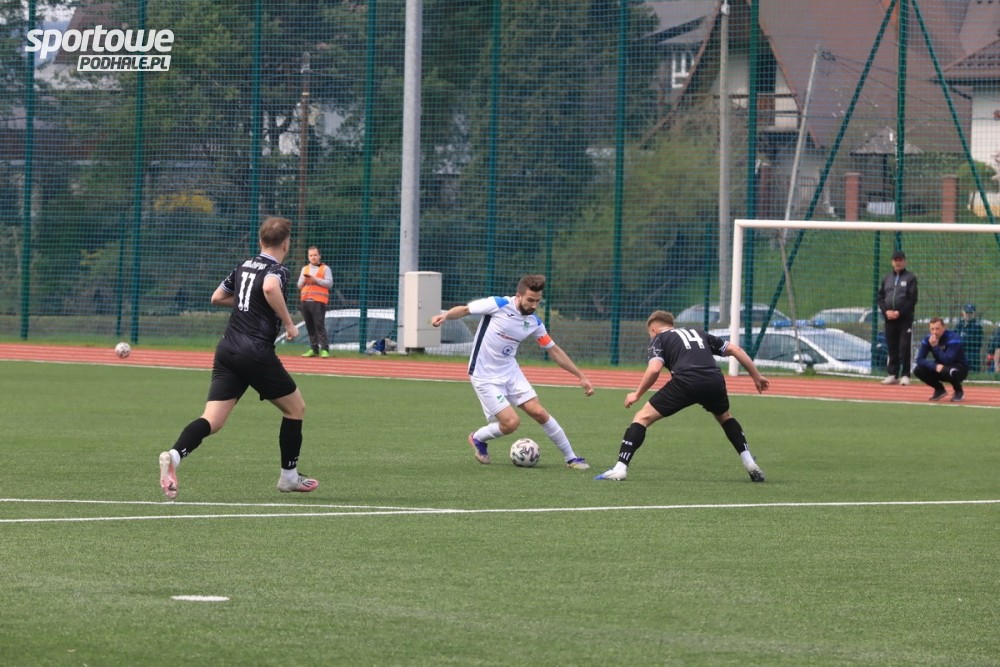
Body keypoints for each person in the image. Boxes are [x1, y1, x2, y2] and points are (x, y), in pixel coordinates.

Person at [158, 216, 319, 499]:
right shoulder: (278, 270)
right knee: (296, 409)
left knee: (212, 420)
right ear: (286, 243)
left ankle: (174, 456)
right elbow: (269, 287)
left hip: (227, 350)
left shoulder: (243, 265)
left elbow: (217, 297)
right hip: (254, 352)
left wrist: (250, 300)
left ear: (260, 240)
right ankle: (289, 478)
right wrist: (289, 323)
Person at [430, 274, 594, 468]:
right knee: (511, 423)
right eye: (530, 300)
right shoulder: (498, 304)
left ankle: (571, 458)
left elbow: (554, 350)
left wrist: (580, 376)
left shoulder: (534, 323)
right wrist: (445, 316)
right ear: (518, 296)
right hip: (484, 375)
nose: (533, 305)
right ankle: (478, 437)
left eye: (537, 301)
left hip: (510, 372)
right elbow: (466, 310)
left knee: (539, 412)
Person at [595, 310, 769, 482]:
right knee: (725, 417)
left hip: (686, 381)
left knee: (642, 418)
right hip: (714, 380)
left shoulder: (659, 338)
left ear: (654, 330)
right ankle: (750, 463)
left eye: (650, 334)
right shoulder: (699, 333)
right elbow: (735, 349)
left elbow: (654, 369)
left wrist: (637, 394)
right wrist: (756, 376)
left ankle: (620, 468)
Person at [877, 250, 918, 385]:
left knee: (905, 346)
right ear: (892, 262)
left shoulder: (910, 278)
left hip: (904, 319)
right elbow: (880, 297)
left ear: (904, 261)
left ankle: (906, 374)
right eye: (896, 260)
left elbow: (912, 299)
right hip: (889, 319)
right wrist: (886, 312)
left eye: (900, 260)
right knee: (891, 346)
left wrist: (899, 312)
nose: (898, 262)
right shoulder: (887, 278)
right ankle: (893, 374)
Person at [913, 317, 968, 402]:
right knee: (918, 370)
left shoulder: (953, 338)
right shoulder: (928, 339)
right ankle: (939, 389)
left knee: (950, 371)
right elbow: (919, 359)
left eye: (937, 329)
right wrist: (934, 366)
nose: (935, 332)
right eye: (932, 329)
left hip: (958, 368)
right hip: (940, 368)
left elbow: (948, 360)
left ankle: (959, 391)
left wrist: (935, 347)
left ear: (944, 327)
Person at [298, 245, 333, 358]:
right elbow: (299, 285)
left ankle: (324, 349)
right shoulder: (305, 269)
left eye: (315, 255)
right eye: (311, 255)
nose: (313, 257)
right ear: (308, 257)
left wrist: (315, 280)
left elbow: (329, 283)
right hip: (305, 300)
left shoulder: (325, 269)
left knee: (319, 325)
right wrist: (304, 280)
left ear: (319, 256)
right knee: (309, 325)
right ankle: (314, 349)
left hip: (318, 301)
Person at [954, 303, 984, 372]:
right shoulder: (959, 325)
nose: (968, 314)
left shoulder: (977, 327)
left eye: (970, 312)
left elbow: (976, 343)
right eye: (967, 312)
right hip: (959, 358)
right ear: (963, 312)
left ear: (974, 313)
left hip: (972, 360)